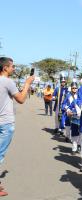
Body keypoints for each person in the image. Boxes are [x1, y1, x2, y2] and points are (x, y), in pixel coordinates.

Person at [0, 57, 34, 196]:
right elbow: (21, 99)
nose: (13, 69)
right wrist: (27, 84)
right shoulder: (8, 82)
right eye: (12, 66)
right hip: (6, 123)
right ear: (5, 68)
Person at [62, 81, 81, 155]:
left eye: (75, 88)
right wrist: (68, 110)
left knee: (81, 133)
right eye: (73, 88)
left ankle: (79, 145)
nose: (74, 89)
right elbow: (63, 105)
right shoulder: (68, 95)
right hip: (71, 115)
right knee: (73, 131)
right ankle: (74, 148)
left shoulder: (80, 95)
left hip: (80, 117)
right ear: (71, 88)